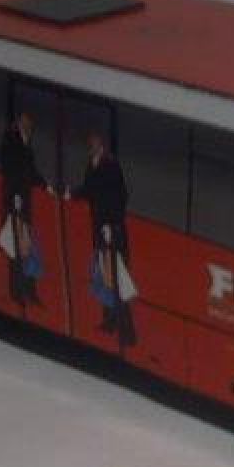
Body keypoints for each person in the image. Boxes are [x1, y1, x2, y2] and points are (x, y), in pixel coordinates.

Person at [66, 130, 135, 344]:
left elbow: (120, 197)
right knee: (105, 278)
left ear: (101, 145)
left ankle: (127, 331)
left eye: (94, 143)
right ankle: (109, 321)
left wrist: (112, 226)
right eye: (89, 144)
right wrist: (72, 194)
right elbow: (90, 189)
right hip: (99, 230)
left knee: (118, 279)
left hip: (113, 232)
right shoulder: (92, 164)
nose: (90, 147)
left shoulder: (111, 166)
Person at [0, 111, 48, 307]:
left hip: (24, 201)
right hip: (14, 200)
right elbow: (10, 168)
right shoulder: (11, 139)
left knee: (28, 246)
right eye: (26, 121)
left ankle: (29, 289)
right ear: (20, 121)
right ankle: (17, 291)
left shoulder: (27, 141)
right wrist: (15, 197)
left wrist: (45, 185)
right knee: (16, 248)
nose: (29, 126)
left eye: (31, 123)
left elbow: (31, 171)